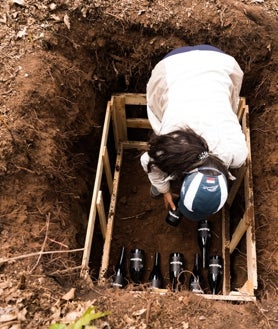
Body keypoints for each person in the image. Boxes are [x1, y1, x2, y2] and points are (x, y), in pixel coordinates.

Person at [140, 44, 248, 221]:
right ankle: (159, 179)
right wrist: (164, 190)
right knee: (160, 127)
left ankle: (161, 176)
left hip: (221, 64)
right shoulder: (170, 145)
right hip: (172, 69)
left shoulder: (237, 153)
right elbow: (147, 160)